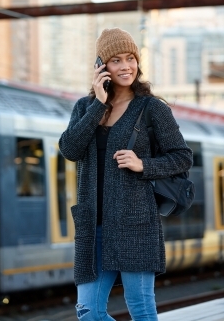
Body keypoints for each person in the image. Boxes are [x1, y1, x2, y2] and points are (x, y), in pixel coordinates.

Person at [58, 28, 193, 321]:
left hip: (136, 223)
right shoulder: (85, 106)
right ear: (102, 67)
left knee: (141, 310)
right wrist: (98, 103)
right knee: (88, 312)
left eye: (130, 58)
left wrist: (144, 164)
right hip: (92, 226)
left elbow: (183, 157)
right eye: (116, 60)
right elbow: (69, 149)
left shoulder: (152, 108)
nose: (125, 66)